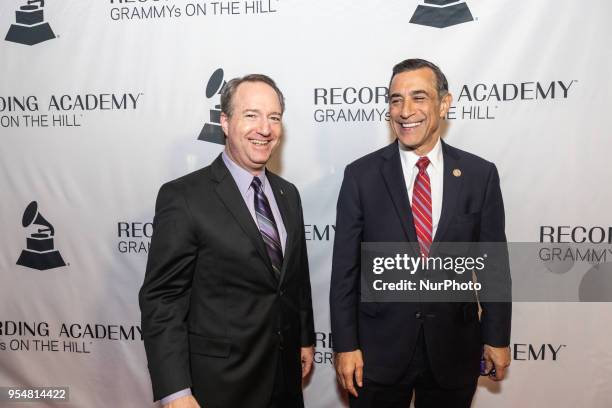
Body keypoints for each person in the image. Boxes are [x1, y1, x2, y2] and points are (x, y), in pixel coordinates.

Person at [329, 58, 512, 408]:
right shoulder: (361, 176)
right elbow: (344, 273)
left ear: (444, 103)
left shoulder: (479, 175)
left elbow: (494, 268)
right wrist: (346, 346)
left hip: (453, 349)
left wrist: (497, 337)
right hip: (377, 352)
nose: (404, 110)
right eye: (395, 99)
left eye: (418, 97)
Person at [139, 74, 315, 408]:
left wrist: (304, 337)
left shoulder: (287, 194)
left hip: (284, 379)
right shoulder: (184, 197)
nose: (264, 128)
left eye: (274, 117)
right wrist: (176, 391)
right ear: (224, 121)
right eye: (251, 115)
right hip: (220, 385)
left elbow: (295, 279)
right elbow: (162, 300)